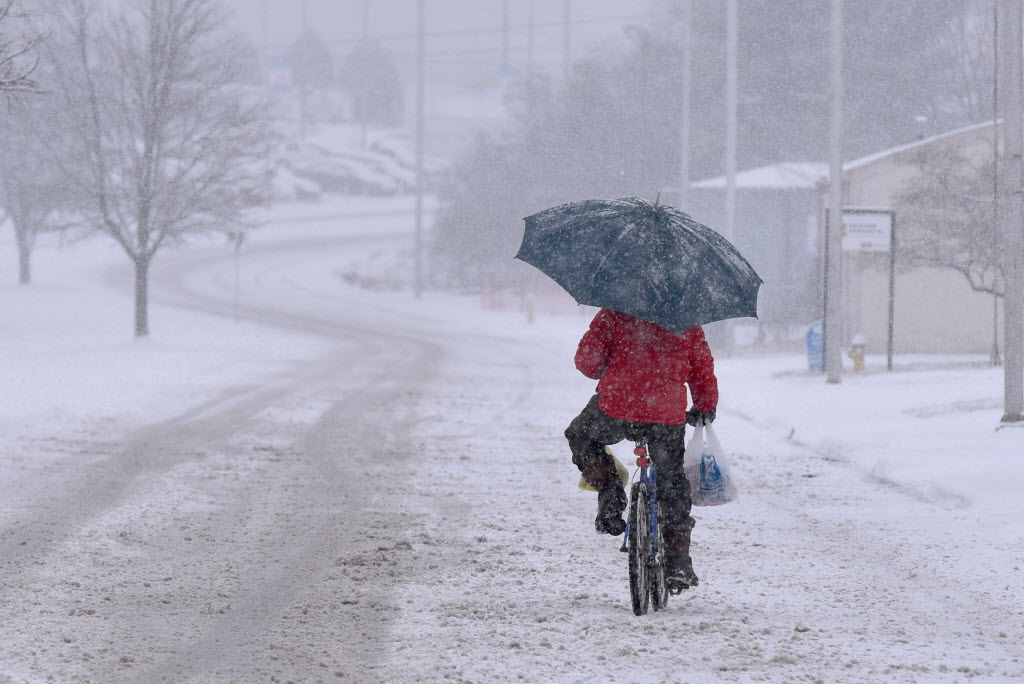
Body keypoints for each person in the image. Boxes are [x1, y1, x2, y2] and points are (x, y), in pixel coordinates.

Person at [565, 307, 718, 593]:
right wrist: (705, 406)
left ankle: (610, 492)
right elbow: (701, 369)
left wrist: (615, 364)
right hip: (665, 415)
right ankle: (678, 561)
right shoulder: (687, 319)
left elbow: (587, 364)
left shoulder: (615, 310)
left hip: (617, 407)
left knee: (580, 435)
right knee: (672, 479)